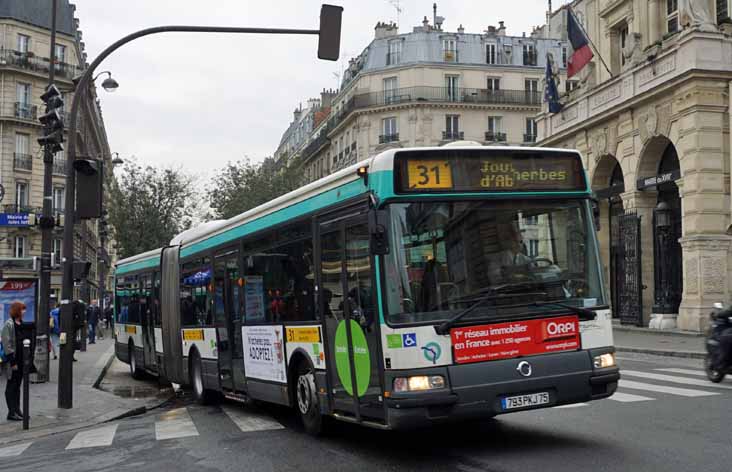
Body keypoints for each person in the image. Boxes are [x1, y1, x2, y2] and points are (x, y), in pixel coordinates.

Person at [1, 302, 27, 421]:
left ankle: (17, 410)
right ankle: (11, 412)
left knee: (17, 386)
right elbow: (7, 344)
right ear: (16, 310)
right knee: (11, 386)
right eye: (22, 309)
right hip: (13, 361)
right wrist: (12, 362)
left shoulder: (20, 323)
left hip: (21, 360)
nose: (24, 312)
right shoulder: (9, 324)